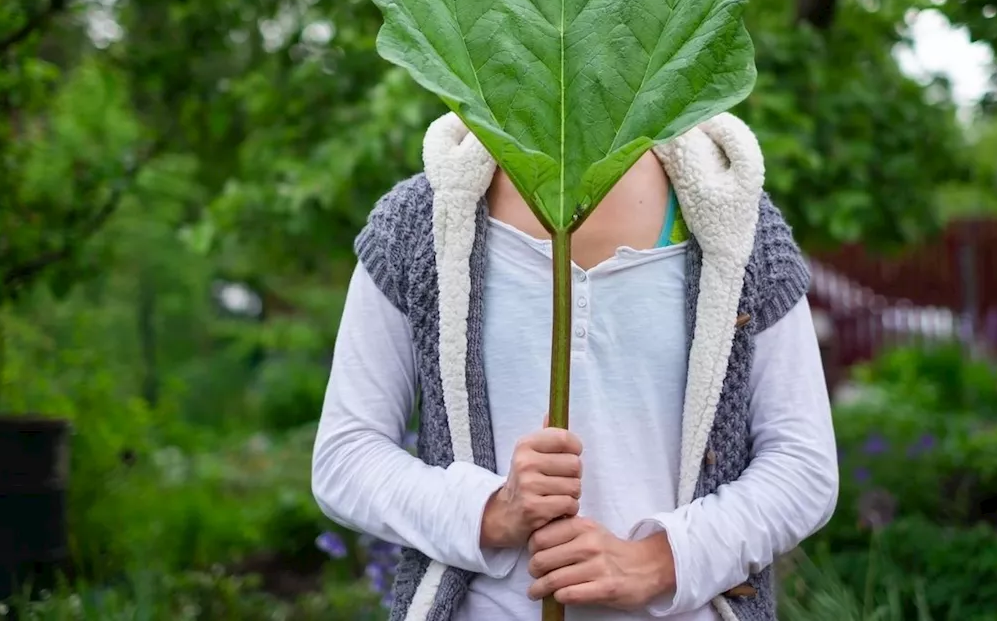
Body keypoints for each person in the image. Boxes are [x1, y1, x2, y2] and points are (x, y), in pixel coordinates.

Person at [312, 111, 838, 621]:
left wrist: (662, 562)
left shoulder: (735, 223)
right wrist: (491, 513)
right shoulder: (419, 225)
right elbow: (345, 457)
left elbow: (803, 469)